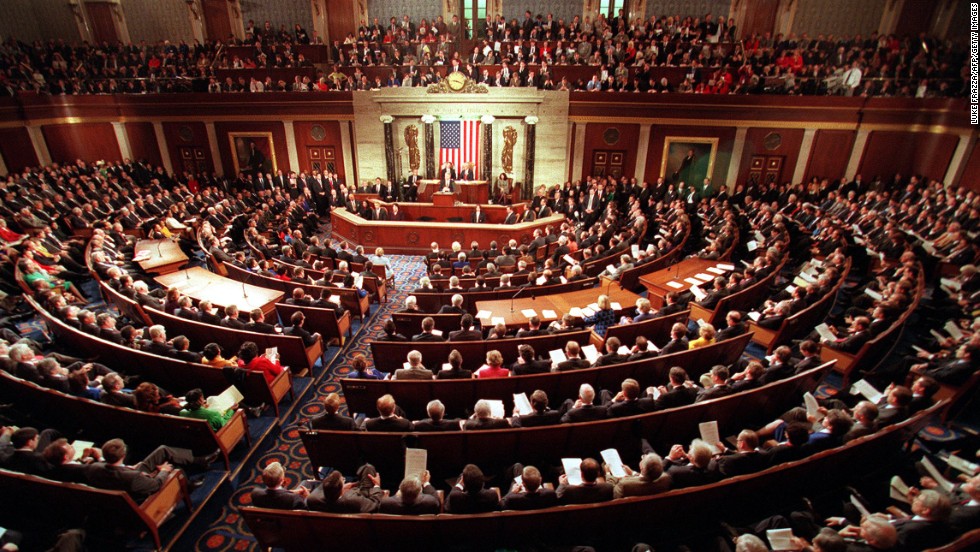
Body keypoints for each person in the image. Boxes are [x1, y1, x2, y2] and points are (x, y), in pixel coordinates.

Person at [86, 438, 216, 500]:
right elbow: (156, 485)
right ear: (124, 455)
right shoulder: (134, 478)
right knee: (173, 468)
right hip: (142, 490)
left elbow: (109, 467)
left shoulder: (94, 467)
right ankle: (186, 486)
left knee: (163, 450)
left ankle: (199, 461)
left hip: (128, 474)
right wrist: (163, 471)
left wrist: (127, 467)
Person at [606, 452, 671, 498]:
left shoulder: (624, 485)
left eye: (643, 458)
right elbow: (648, 479)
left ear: (641, 467)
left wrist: (608, 474)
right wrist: (633, 474)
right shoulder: (666, 479)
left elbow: (612, 495)